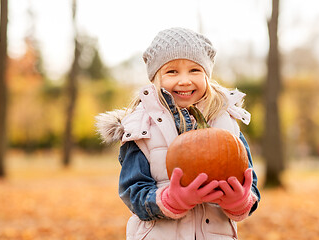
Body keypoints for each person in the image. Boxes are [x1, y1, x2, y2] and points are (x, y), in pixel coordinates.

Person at [96, 27, 260, 240]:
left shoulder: (226, 122)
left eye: (194, 70)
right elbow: (132, 192)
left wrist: (239, 201)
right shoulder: (140, 127)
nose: (184, 80)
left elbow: (250, 186)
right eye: (172, 71)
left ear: (206, 75)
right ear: (156, 77)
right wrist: (172, 200)